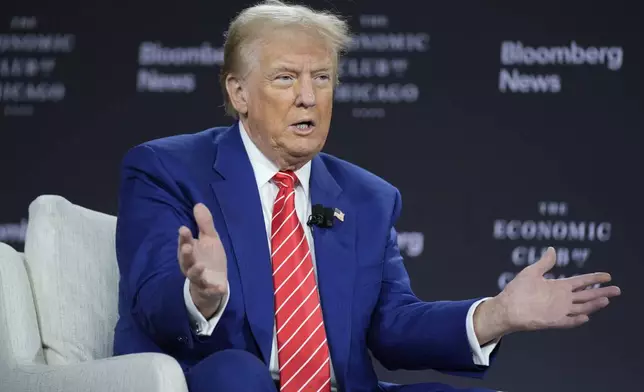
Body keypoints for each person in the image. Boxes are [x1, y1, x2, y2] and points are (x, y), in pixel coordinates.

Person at [112, 1, 621, 391]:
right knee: (238, 374)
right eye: (286, 78)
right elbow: (151, 298)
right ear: (239, 93)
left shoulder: (366, 198)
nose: (308, 96)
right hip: (222, 380)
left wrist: (495, 315)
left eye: (322, 79)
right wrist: (200, 295)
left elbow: (392, 325)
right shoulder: (167, 168)